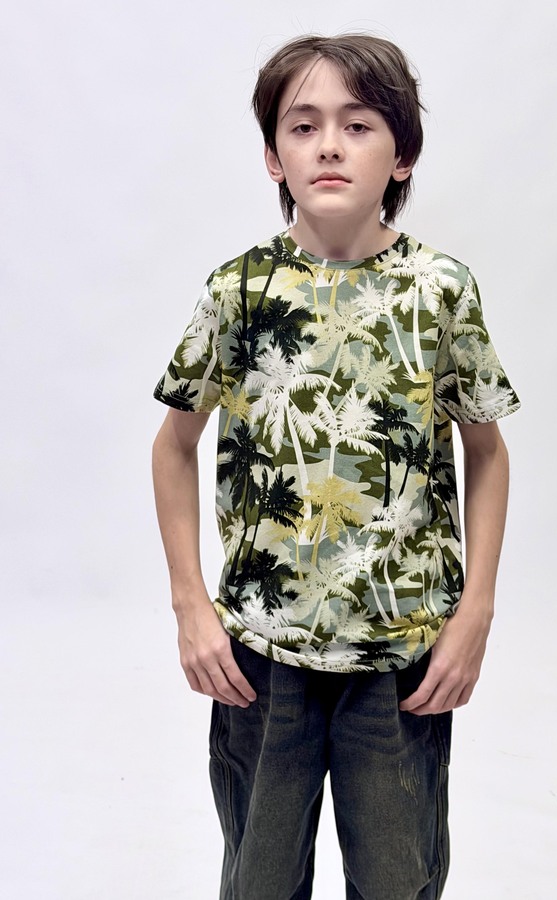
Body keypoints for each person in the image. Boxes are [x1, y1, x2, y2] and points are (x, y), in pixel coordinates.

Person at [152, 32, 520, 900]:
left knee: (398, 878)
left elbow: (485, 450)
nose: (327, 146)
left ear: (402, 155)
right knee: (259, 877)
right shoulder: (239, 290)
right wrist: (191, 606)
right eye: (302, 125)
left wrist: (474, 613)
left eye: (357, 126)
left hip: (401, 656)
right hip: (260, 652)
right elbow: (173, 444)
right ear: (272, 157)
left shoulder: (440, 289)